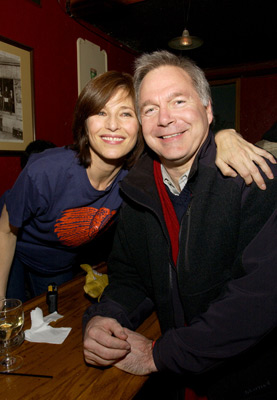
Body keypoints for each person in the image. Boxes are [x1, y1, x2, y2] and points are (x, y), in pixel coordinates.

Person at [83, 52, 277, 399]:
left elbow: (258, 300)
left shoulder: (255, 179)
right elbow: (130, 276)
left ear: (208, 110)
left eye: (178, 101)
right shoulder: (136, 191)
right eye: (150, 109)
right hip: (177, 381)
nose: (165, 119)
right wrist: (106, 317)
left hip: (248, 381)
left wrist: (159, 354)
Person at [0, 70, 273, 303]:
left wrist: (225, 136)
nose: (113, 125)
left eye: (126, 113)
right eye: (100, 112)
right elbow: (5, 232)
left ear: (141, 125)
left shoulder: (137, 176)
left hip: (59, 262)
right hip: (14, 252)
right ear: (84, 121)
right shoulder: (45, 171)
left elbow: (184, 145)